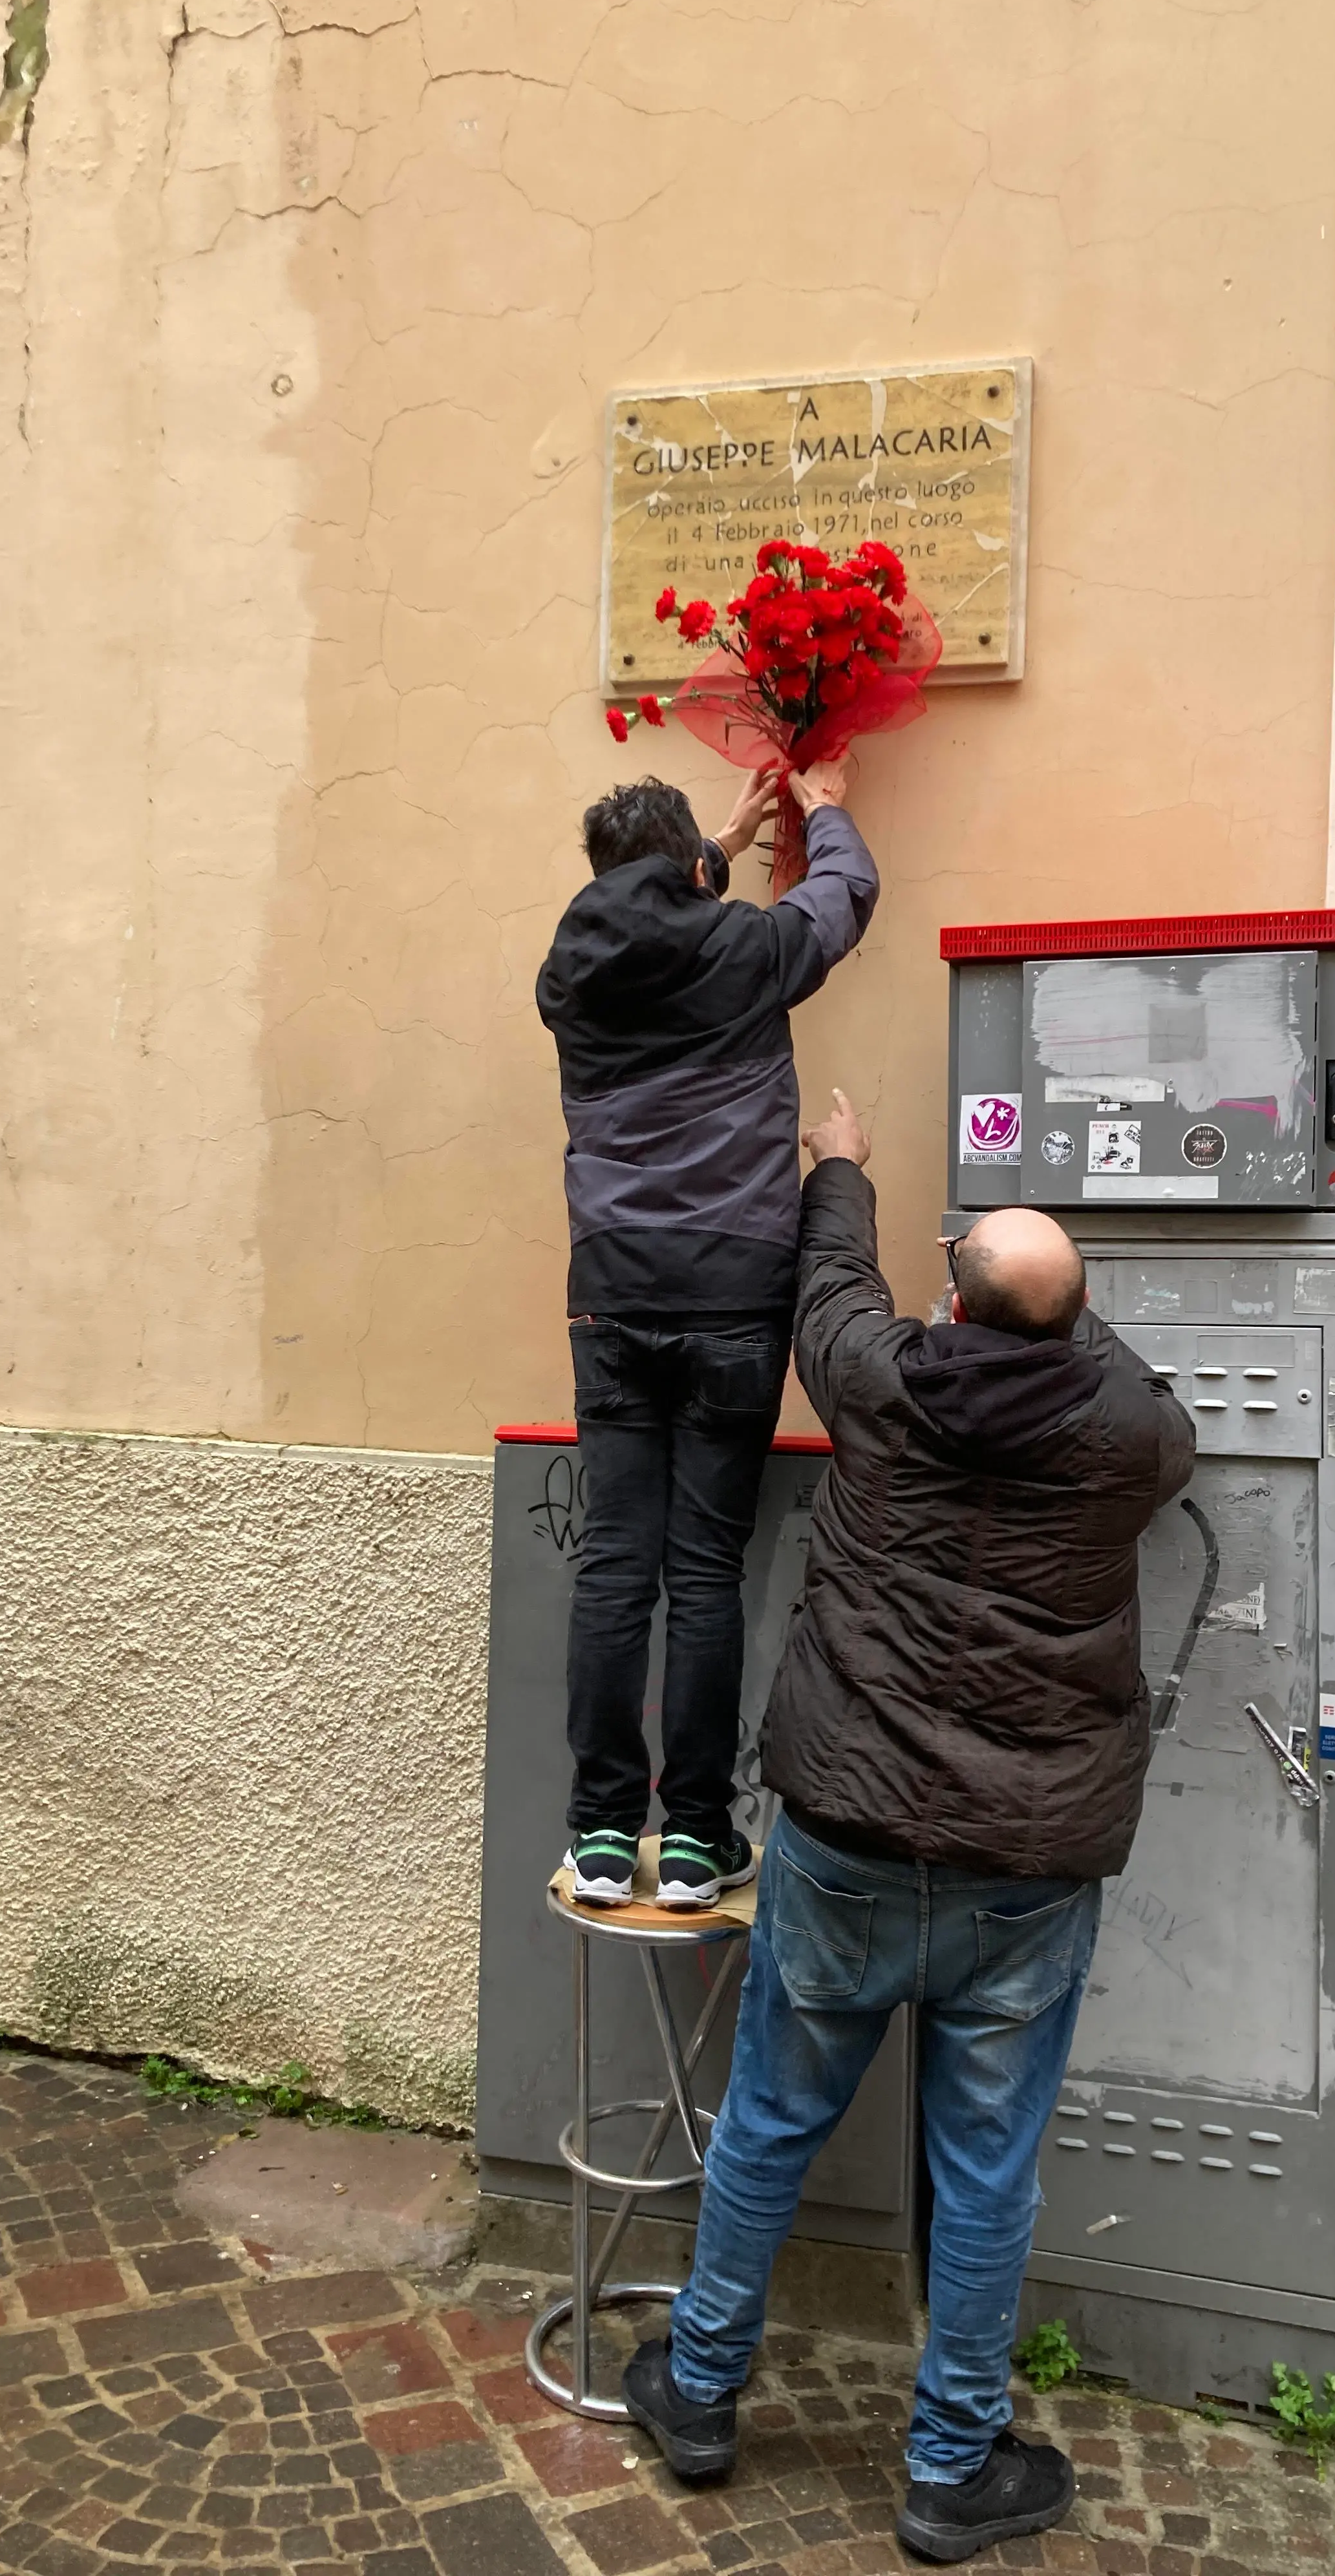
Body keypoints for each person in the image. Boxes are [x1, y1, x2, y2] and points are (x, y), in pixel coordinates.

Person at [622, 1091, 1196, 2563]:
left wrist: (842, 1167)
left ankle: (697, 2393)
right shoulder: (1128, 1433)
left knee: (767, 2125)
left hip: (850, 1837)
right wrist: (1060, 1306)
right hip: (1027, 1867)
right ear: (1069, 1326)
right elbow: (1147, 1398)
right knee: (987, 2169)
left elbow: (829, 1291)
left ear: (950, 1301)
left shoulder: (881, 1381)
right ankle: (950, 2469)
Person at [535, 762, 877, 1910]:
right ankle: (693, 1842)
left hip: (613, 1297)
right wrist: (823, 804)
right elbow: (847, 895)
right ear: (692, 870)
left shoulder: (571, 978)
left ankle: (596, 1834)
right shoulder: (747, 952)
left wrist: (712, 850)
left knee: (614, 1568)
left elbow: (651, 924)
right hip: (735, 1296)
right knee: (703, 1572)